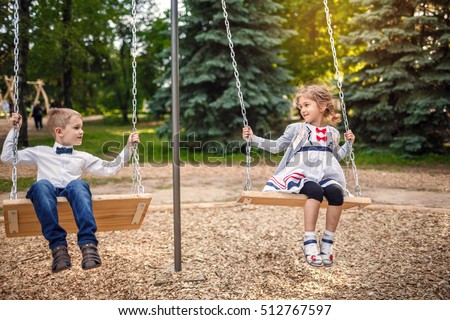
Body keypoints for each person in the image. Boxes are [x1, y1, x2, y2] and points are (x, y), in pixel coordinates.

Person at [1, 108, 140, 273]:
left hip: (72, 194)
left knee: (78, 185)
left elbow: (110, 169)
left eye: (81, 127)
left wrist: (129, 148)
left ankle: (89, 246)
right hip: (45, 195)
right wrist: (15, 130)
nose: (81, 131)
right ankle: (58, 248)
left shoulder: (83, 157)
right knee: (41, 185)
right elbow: (8, 157)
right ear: (59, 131)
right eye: (76, 128)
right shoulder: (41, 152)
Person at [242, 84, 356, 267]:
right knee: (315, 191)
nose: (302, 110)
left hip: (326, 173)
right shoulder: (296, 129)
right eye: (300, 106)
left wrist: (348, 144)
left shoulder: (332, 133)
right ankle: (309, 241)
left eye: (306, 105)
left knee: (336, 193)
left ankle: (327, 241)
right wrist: (253, 139)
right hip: (301, 174)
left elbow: (336, 157)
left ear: (322, 105)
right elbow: (277, 146)